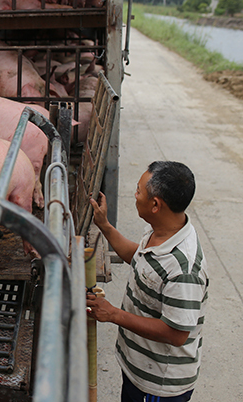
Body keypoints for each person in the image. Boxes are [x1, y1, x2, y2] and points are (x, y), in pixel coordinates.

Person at [87, 161, 208, 402]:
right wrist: (105, 226)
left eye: (139, 190)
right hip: (139, 369)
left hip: (158, 385)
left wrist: (113, 314)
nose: (135, 194)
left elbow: (176, 334)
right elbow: (140, 260)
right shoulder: (161, 230)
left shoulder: (184, 269)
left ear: (155, 204)